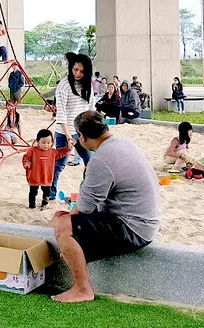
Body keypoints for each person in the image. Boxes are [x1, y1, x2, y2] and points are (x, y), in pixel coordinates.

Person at [50, 111, 160, 303]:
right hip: (143, 223)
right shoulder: (123, 144)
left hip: (133, 228)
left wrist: (64, 225)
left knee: (62, 225)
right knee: (66, 228)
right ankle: (77, 255)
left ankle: (83, 289)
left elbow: (83, 208)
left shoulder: (100, 160)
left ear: (82, 138)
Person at [50, 53, 95, 199]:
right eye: (75, 69)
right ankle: (50, 195)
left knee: (92, 163)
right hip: (64, 132)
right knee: (59, 165)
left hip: (82, 131)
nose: (77, 73)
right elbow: (61, 114)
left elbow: (91, 109)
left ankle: (88, 194)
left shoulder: (88, 85)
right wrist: (69, 136)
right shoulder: (63, 85)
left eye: (81, 71)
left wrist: (89, 131)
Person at [23, 129, 71, 209]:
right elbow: (26, 158)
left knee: (47, 192)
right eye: (43, 143)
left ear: (52, 142)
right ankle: (31, 206)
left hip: (47, 177)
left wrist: (68, 148)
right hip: (35, 176)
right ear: (37, 142)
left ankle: (44, 204)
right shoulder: (33, 150)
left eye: (48, 143)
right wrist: (26, 163)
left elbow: (60, 153)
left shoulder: (53, 152)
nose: (46, 145)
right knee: (33, 192)